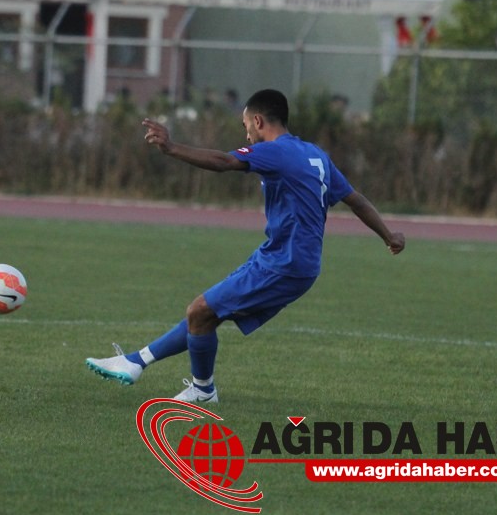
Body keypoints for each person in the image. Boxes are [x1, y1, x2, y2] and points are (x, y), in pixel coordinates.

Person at [86, 89, 406, 403]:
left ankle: (198, 389)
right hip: (282, 257)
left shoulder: (275, 151)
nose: (247, 134)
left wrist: (171, 148)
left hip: (285, 263)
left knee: (200, 310)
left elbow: (224, 161)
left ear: (258, 121)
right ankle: (137, 363)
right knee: (205, 315)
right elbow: (356, 200)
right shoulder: (315, 154)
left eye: (245, 126)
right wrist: (388, 235)